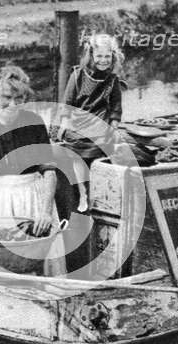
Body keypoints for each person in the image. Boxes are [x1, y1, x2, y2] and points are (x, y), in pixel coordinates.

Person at [0, 65, 65, 275]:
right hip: (1, 199)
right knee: (5, 262)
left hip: (33, 198)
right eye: (6, 97)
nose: (12, 104)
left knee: (41, 261)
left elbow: (48, 170)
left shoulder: (34, 123)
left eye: (19, 98)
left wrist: (45, 212)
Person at [55, 33, 125, 212]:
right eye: (99, 56)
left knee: (101, 147)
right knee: (74, 150)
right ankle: (82, 191)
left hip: (99, 123)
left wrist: (114, 126)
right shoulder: (78, 76)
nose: (103, 60)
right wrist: (63, 128)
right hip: (78, 123)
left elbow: (116, 106)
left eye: (107, 56)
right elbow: (67, 104)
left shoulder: (112, 80)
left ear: (113, 56)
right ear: (91, 56)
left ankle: (99, 192)